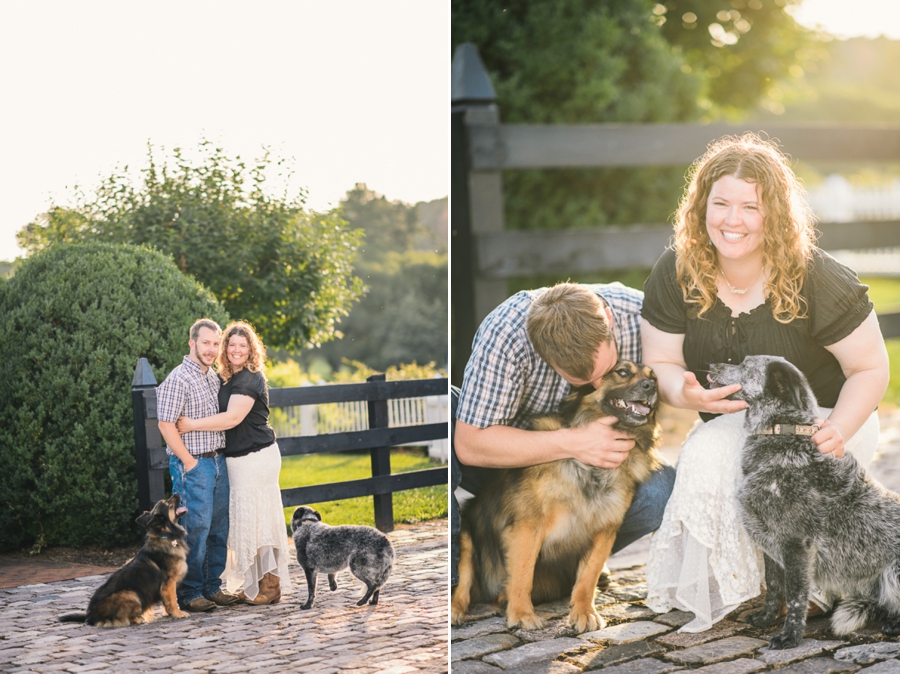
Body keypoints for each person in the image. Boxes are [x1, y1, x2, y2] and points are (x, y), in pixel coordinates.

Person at [642, 133, 891, 632]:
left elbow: (870, 368)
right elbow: (663, 365)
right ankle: (749, 585)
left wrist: (837, 428)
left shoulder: (816, 275)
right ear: (701, 206)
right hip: (738, 425)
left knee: (794, 485)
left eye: (750, 207)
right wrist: (682, 392)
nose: (731, 220)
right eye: (721, 203)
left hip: (819, 422)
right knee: (709, 455)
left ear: (773, 214)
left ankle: (816, 583)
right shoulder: (676, 270)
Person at [451, 282, 677, 587]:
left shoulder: (641, 313)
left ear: (609, 322)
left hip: (586, 475)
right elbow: (470, 444)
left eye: (606, 371)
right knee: (447, 416)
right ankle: (455, 569)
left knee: (660, 491)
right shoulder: (506, 333)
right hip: (500, 457)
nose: (599, 385)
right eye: (584, 379)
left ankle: (571, 565)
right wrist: (574, 443)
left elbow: (682, 372)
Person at [176, 321, 293, 605]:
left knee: (260, 518)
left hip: (257, 457)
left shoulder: (251, 378)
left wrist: (190, 425)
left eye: (243, 346)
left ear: (251, 350)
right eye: (232, 345)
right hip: (236, 459)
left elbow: (231, 419)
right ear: (225, 349)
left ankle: (271, 584)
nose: (236, 350)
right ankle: (253, 584)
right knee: (245, 521)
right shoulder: (227, 377)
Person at [156, 318, 241, 612]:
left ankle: (212, 587)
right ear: (192, 343)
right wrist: (190, 463)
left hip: (217, 461)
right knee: (195, 528)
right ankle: (189, 592)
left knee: (218, 527)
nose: (212, 349)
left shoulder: (212, 377)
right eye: (206, 343)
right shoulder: (178, 378)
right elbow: (166, 425)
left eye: (216, 344)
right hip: (194, 465)